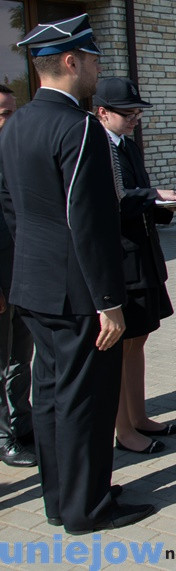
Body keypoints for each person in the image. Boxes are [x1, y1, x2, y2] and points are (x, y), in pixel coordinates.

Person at [0, 14, 154, 532]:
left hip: (34, 285)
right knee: (84, 400)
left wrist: (29, 266)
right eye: (91, 59)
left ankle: (59, 498)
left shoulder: (15, 123)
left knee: (48, 395)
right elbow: (87, 220)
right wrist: (107, 300)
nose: (96, 67)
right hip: (78, 294)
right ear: (70, 62)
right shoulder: (79, 126)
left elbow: (10, 207)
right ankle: (89, 508)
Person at [94, 77, 176, 455]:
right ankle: (123, 431)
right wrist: (153, 196)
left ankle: (138, 415)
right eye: (127, 113)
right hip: (120, 260)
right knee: (120, 346)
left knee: (139, 339)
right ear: (102, 113)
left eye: (138, 112)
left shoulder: (127, 146)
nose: (135, 118)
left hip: (143, 256)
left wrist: (164, 205)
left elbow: (138, 196)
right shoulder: (97, 148)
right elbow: (112, 201)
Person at [0, 84, 34, 469]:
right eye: (3, 114)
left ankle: (23, 426)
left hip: (21, 275)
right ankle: (4, 438)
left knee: (21, 358)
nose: (10, 120)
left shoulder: (13, 157)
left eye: (13, 111)